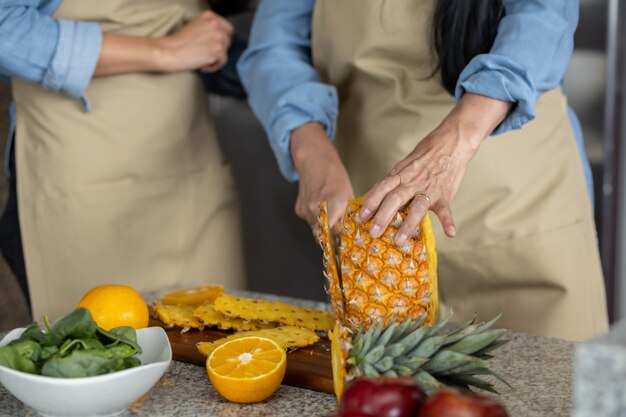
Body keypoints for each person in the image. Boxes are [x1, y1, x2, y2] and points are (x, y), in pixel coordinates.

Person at [238, 0, 609, 340]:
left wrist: (456, 142)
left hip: (521, 211)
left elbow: (544, 15)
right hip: (376, 228)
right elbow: (274, 46)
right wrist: (310, 149)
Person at [0, 0, 246, 321]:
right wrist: (164, 50)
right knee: (98, 356)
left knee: (221, 347)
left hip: (190, 166)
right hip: (86, 173)